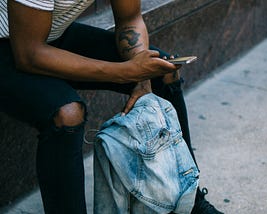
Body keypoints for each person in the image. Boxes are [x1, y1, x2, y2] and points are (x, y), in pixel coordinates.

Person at [0, 0, 223, 213]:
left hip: (51, 34)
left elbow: (130, 19)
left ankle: (189, 202)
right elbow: (29, 55)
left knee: (164, 71)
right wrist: (126, 72)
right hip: (13, 46)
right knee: (67, 113)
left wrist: (142, 78)